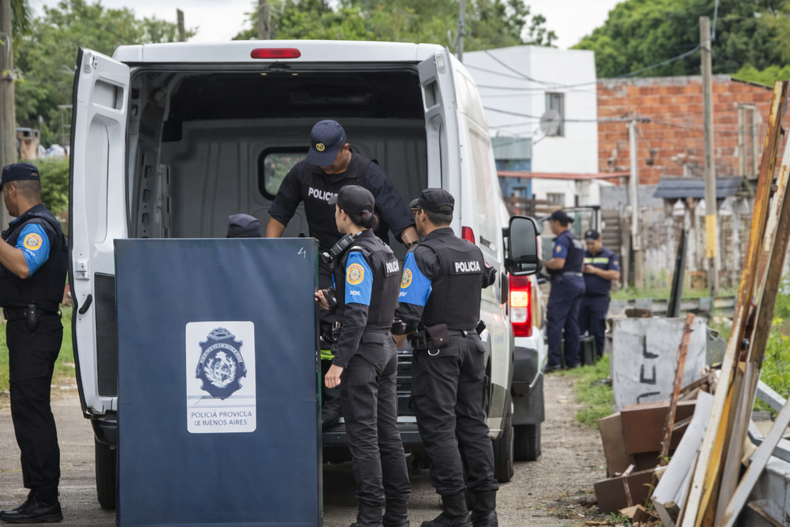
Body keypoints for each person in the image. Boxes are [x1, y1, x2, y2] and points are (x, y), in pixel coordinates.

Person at [267, 120, 418, 429]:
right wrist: (267, 259)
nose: (323, 165)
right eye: (318, 157)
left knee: (360, 318)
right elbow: (278, 215)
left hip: (365, 257)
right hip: (324, 260)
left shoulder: (369, 174)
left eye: (330, 158)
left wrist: (418, 257)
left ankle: (360, 386)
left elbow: (401, 222)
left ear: (346, 148)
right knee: (328, 323)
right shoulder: (304, 171)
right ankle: (332, 399)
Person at [393, 189, 498, 527]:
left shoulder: (422, 254)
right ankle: (486, 512)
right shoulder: (472, 250)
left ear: (421, 215)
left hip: (439, 352)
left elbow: (408, 315)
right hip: (472, 347)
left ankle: (455, 512)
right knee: (474, 426)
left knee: (440, 429)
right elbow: (487, 276)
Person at [314, 185, 411, 527]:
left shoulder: (357, 254)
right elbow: (376, 299)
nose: (334, 214)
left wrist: (338, 363)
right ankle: (397, 515)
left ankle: (369, 518)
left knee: (364, 440)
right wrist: (333, 299)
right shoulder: (384, 248)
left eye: (336, 209)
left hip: (363, 355)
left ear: (343, 214)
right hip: (385, 348)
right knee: (389, 436)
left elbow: (357, 314)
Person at [0, 163, 69, 524]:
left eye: (4, 193)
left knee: (32, 412)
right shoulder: (26, 226)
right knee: (28, 411)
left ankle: (45, 499)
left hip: (34, 329)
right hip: (28, 328)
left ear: (12, 190)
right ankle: (39, 495)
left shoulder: (37, 228)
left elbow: (25, 266)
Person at [543, 210, 585, 372]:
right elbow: (581, 265)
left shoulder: (562, 239)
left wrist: (543, 263)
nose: (550, 226)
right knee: (572, 323)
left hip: (565, 284)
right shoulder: (576, 240)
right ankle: (572, 361)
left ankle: (554, 362)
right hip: (578, 282)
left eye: (551, 223)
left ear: (557, 222)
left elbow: (559, 263)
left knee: (555, 321)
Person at [580, 230, 620, 358]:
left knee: (597, 328)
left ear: (599, 240)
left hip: (599, 298)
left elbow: (615, 275)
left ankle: (597, 356)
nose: (590, 246)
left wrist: (595, 270)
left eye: (592, 243)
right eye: (587, 244)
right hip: (582, 297)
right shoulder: (582, 255)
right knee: (579, 328)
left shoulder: (609, 255)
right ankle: (581, 358)